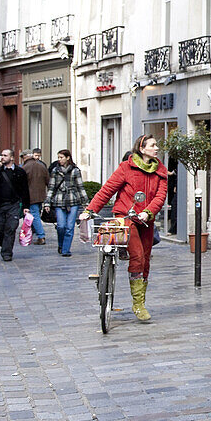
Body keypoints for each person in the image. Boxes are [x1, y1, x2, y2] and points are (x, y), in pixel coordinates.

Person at [81, 135, 169, 322]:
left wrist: (148, 212)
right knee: (137, 255)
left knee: (145, 260)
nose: (156, 148)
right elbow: (107, 190)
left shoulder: (160, 171)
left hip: (146, 219)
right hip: (125, 216)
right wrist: (90, 210)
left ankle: (139, 302)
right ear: (142, 148)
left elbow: (160, 197)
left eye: (156, 145)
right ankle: (137, 303)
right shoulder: (126, 168)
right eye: (153, 145)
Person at [0, 149, 30, 262]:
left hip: (13, 204)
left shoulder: (20, 172)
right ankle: (4, 244)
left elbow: (25, 190)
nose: (2, 157)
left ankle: (7, 252)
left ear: (12, 158)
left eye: (5, 155)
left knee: (11, 228)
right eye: (2, 155)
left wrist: (25, 206)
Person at [46, 149, 86, 256]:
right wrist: (47, 203)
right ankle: (61, 244)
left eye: (61, 157)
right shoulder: (55, 170)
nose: (59, 160)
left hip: (73, 200)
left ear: (67, 158)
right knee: (61, 226)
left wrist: (85, 203)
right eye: (58, 157)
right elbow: (51, 187)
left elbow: (80, 186)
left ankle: (65, 249)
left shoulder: (75, 171)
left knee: (70, 226)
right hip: (59, 200)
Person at [21, 149, 50, 246]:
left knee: (34, 216)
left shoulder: (25, 168)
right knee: (35, 214)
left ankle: (41, 236)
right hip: (41, 195)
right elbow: (48, 181)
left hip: (30, 196)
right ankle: (34, 233)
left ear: (25, 157)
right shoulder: (41, 166)